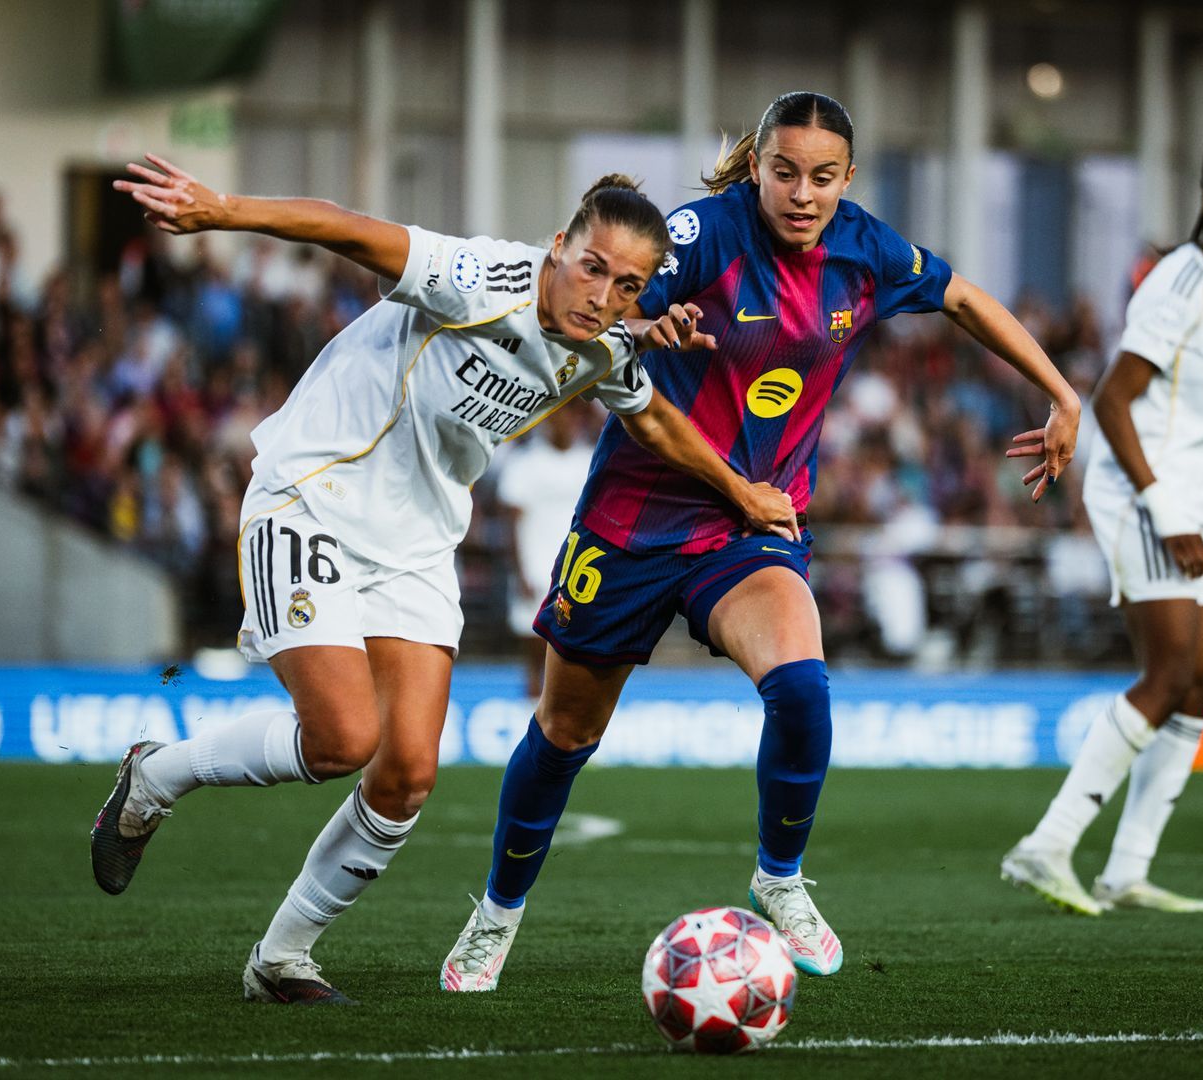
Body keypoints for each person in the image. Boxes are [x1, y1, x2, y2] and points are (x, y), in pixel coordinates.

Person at [91, 155, 799, 1005]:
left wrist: (742, 492)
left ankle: (279, 960)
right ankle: (157, 775)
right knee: (342, 741)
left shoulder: (605, 344)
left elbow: (654, 421)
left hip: (419, 544)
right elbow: (349, 228)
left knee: (404, 780)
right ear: (556, 247)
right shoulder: (481, 276)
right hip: (312, 496)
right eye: (591, 268)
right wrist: (223, 210)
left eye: (627, 285)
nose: (603, 297)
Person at [440, 92, 1081, 991]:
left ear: (847, 179)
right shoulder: (703, 231)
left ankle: (780, 878)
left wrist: (1062, 392)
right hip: (630, 521)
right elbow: (616, 302)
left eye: (823, 176)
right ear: (757, 167)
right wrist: (644, 319)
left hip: (750, 524)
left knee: (803, 686)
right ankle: (495, 917)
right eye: (784, 171)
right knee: (564, 732)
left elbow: (965, 297)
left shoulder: (866, 249)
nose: (803, 193)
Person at [1000, 134, 1203, 916]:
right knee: (1165, 677)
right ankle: (1046, 847)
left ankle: (1126, 869)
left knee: (1199, 686)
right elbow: (1115, 402)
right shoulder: (1180, 282)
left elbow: (1191, 411)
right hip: (1143, 497)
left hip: (1188, 499)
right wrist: (1163, 508)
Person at [492, 402, 600, 696]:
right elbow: (511, 525)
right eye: (564, 415)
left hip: (577, 572)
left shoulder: (590, 461)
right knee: (535, 650)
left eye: (575, 416)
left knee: (574, 650)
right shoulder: (524, 463)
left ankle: (566, 715)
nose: (570, 422)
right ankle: (531, 710)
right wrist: (519, 573)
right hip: (536, 570)